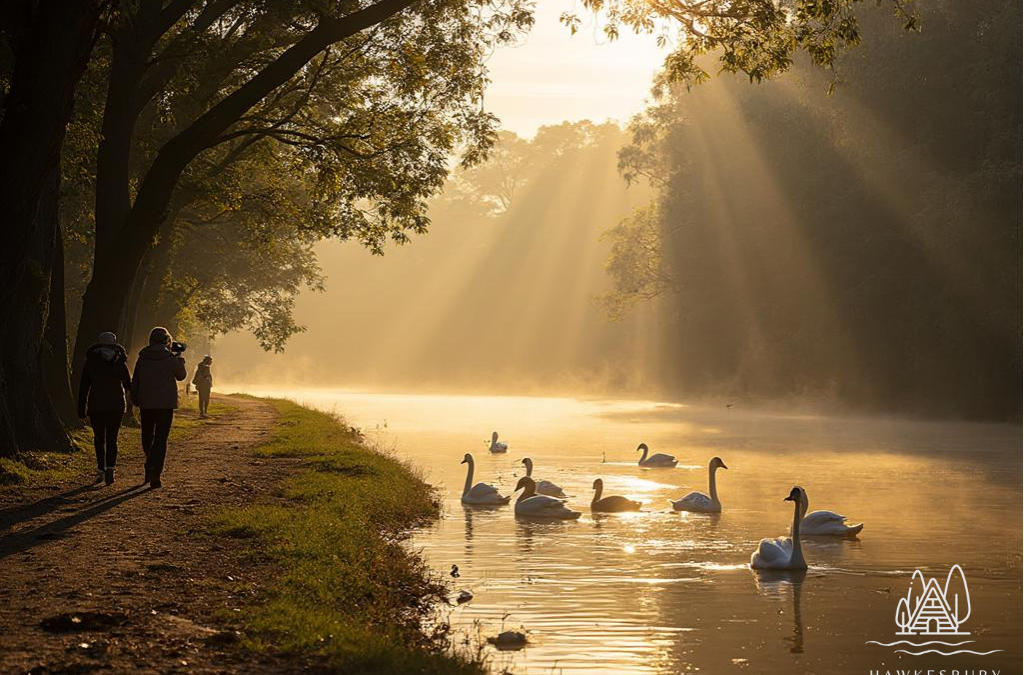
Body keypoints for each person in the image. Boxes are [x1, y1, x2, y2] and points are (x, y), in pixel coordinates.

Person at [131, 327, 186, 488]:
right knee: (161, 438)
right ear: (166, 341)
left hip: (146, 402)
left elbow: (136, 379)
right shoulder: (169, 358)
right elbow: (181, 376)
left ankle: (150, 463)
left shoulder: (143, 357)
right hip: (165, 404)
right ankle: (155, 474)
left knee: (147, 435)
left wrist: (134, 398)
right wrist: (180, 359)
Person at [77, 331, 132, 485]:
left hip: (96, 405)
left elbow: (83, 387)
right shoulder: (120, 362)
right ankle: (111, 469)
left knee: (99, 439)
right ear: (115, 344)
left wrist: (81, 409)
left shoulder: (91, 362)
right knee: (112, 439)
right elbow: (128, 385)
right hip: (116, 405)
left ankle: (101, 469)